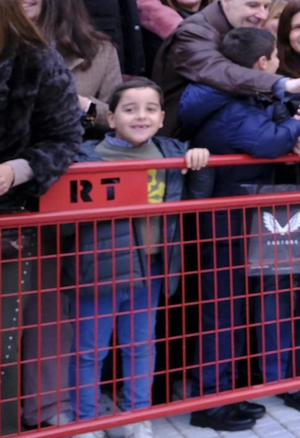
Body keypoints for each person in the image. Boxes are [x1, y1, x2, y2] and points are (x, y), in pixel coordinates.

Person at [180, 26, 300, 429]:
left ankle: (229, 393)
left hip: (244, 222)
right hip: (225, 223)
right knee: (221, 313)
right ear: (262, 64)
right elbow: (264, 142)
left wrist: (294, 131)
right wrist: (299, 129)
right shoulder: (230, 106)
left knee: (235, 311)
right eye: (273, 59)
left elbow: (273, 132)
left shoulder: (244, 96)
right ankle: (210, 402)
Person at [71, 78, 207, 437]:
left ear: (162, 118)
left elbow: (196, 196)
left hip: (153, 267)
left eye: (150, 109)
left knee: (141, 347)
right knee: (89, 349)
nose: (141, 116)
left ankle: (135, 416)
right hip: (100, 270)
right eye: (130, 110)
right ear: (111, 117)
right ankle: (86, 421)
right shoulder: (86, 156)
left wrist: (199, 160)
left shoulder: (172, 152)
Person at [0, 0, 84, 434]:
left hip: (11, 221)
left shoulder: (39, 62)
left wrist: (17, 169)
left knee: (3, 344)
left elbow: (65, 138)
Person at [151, 0, 300, 136]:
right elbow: (221, 71)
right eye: (252, 5)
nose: (262, 15)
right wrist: (284, 84)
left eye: (266, 6)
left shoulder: (240, 28)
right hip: (181, 142)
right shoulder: (194, 33)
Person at [11, 0, 122, 135]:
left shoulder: (99, 50)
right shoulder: (3, 43)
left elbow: (114, 118)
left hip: (75, 154)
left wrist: (80, 104)